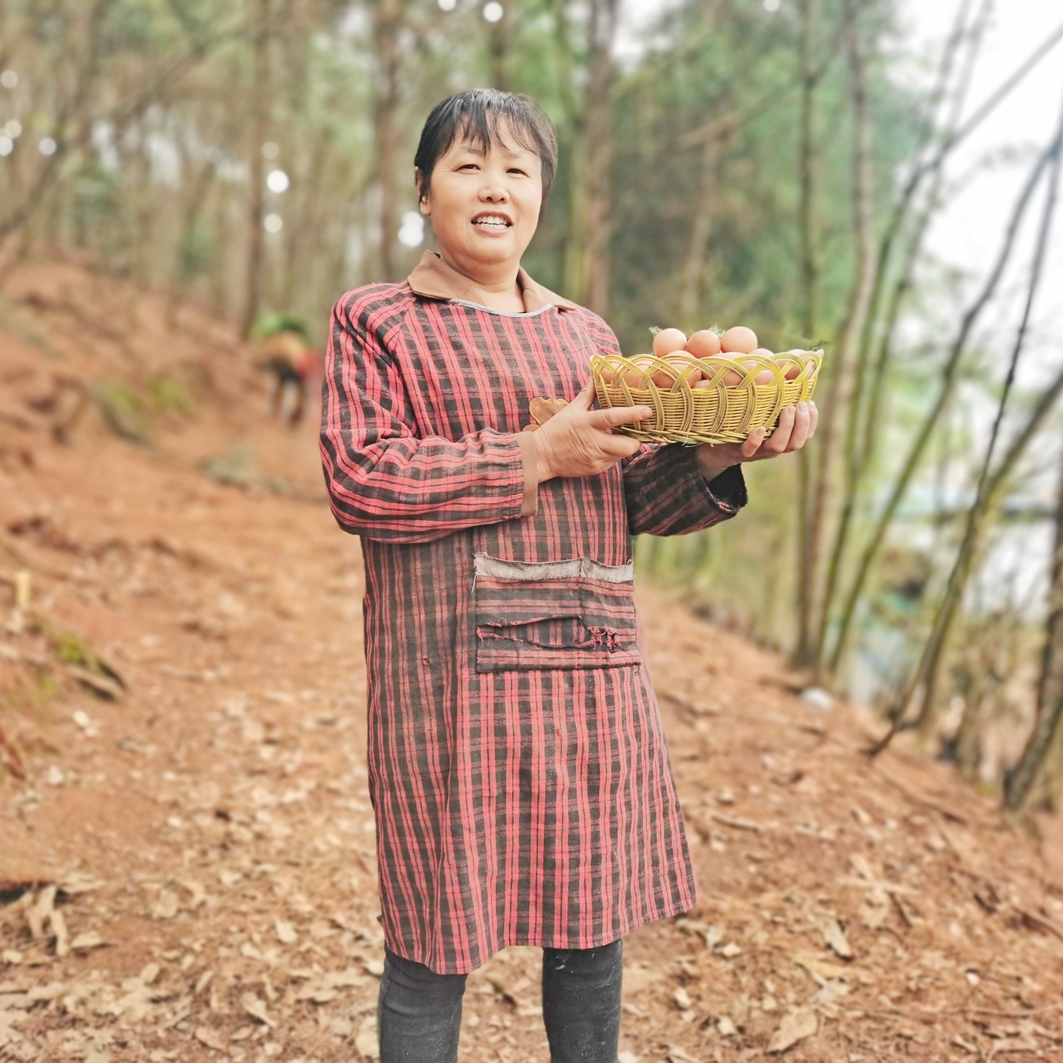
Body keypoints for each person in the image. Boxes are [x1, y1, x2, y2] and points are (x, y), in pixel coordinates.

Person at [319, 89, 816, 1063]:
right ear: (422, 191)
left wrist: (719, 461)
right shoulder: (376, 321)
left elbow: (629, 502)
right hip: (447, 685)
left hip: (590, 669)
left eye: (517, 169)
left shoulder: (587, 336)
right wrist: (533, 454)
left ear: (543, 194)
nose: (493, 187)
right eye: (466, 166)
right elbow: (361, 480)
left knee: (589, 934)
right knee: (431, 942)